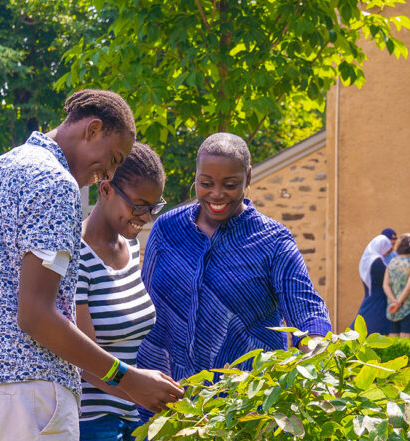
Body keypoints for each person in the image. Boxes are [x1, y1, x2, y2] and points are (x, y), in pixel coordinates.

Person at [0, 89, 182, 441]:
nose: (107, 172)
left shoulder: (4, 167)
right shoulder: (57, 185)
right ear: (93, 129)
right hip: (36, 394)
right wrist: (127, 379)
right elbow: (36, 314)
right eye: (112, 157)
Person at [136, 132, 331, 410]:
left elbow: (305, 308)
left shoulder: (273, 241)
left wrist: (314, 349)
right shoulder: (167, 229)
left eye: (230, 184)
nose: (216, 194)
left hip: (247, 411)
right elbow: (147, 310)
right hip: (171, 403)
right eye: (205, 183)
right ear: (196, 175)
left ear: (248, 177)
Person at [75, 142, 166, 441]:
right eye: (139, 205)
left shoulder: (131, 246)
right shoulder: (77, 255)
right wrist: (137, 386)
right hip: (93, 418)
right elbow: (81, 358)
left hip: (131, 410)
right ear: (106, 186)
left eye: (153, 207)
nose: (144, 217)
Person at [352, 234, 392, 334]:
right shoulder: (377, 261)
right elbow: (385, 279)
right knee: (373, 325)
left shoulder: (369, 258)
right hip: (379, 297)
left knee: (365, 319)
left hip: (371, 295)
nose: (388, 253)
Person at [384, 233, 410, 339]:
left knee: (392, 342)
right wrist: (399, 303)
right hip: (409, 307)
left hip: (391, 308)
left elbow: (386, 285)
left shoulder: (391, 263)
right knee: (405, 343)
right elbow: (409, 288)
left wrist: (394, 301)